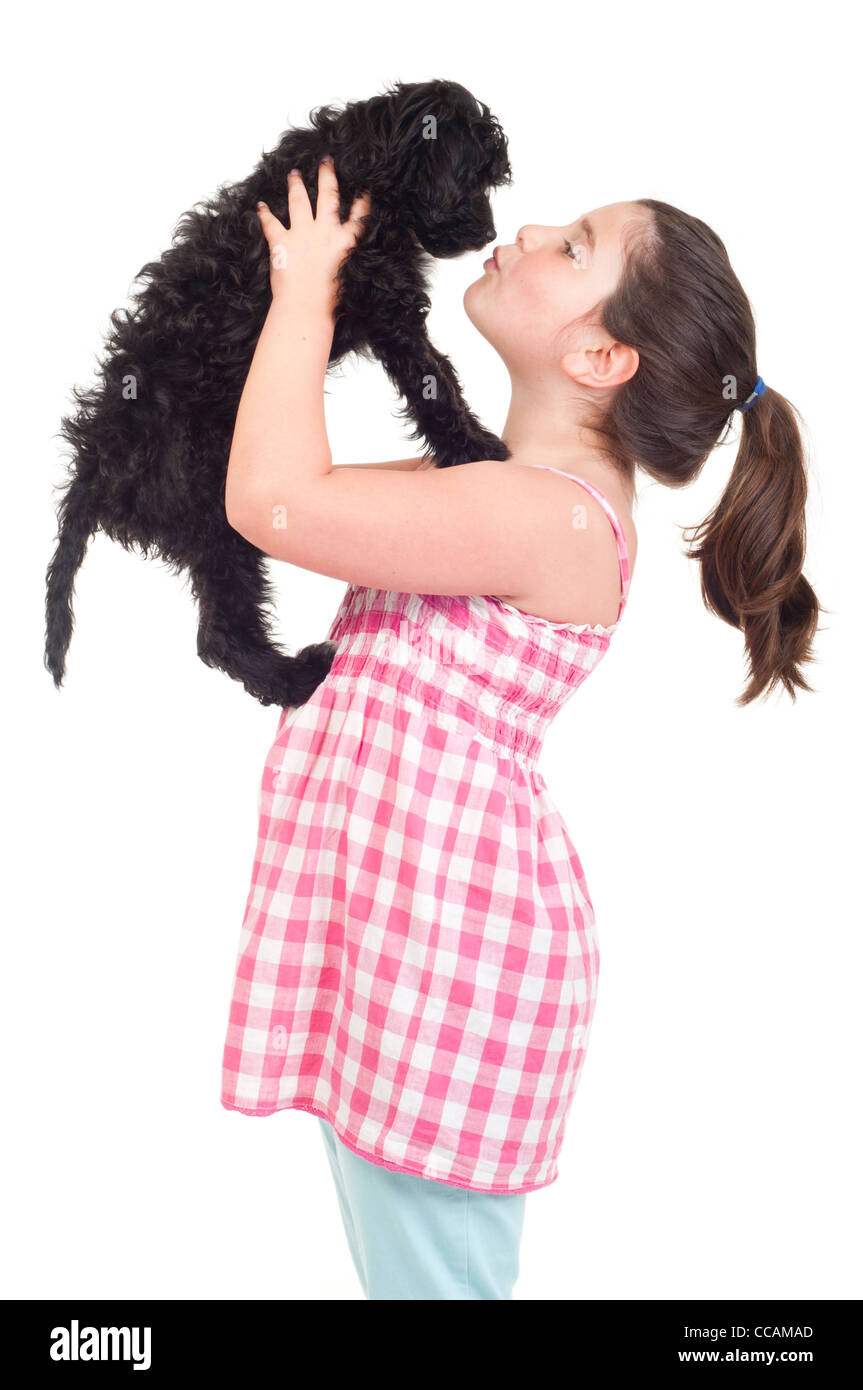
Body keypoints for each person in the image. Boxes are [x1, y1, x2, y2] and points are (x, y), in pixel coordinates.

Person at [219, 160, 821, 1299]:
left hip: (449, 961)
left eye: (576, 246)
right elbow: (280, 480)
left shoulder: (547, 516)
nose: (534, 226)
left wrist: (305, 295)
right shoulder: (499, 485)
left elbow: (272, 502)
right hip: (400, 934)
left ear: (599, 359)